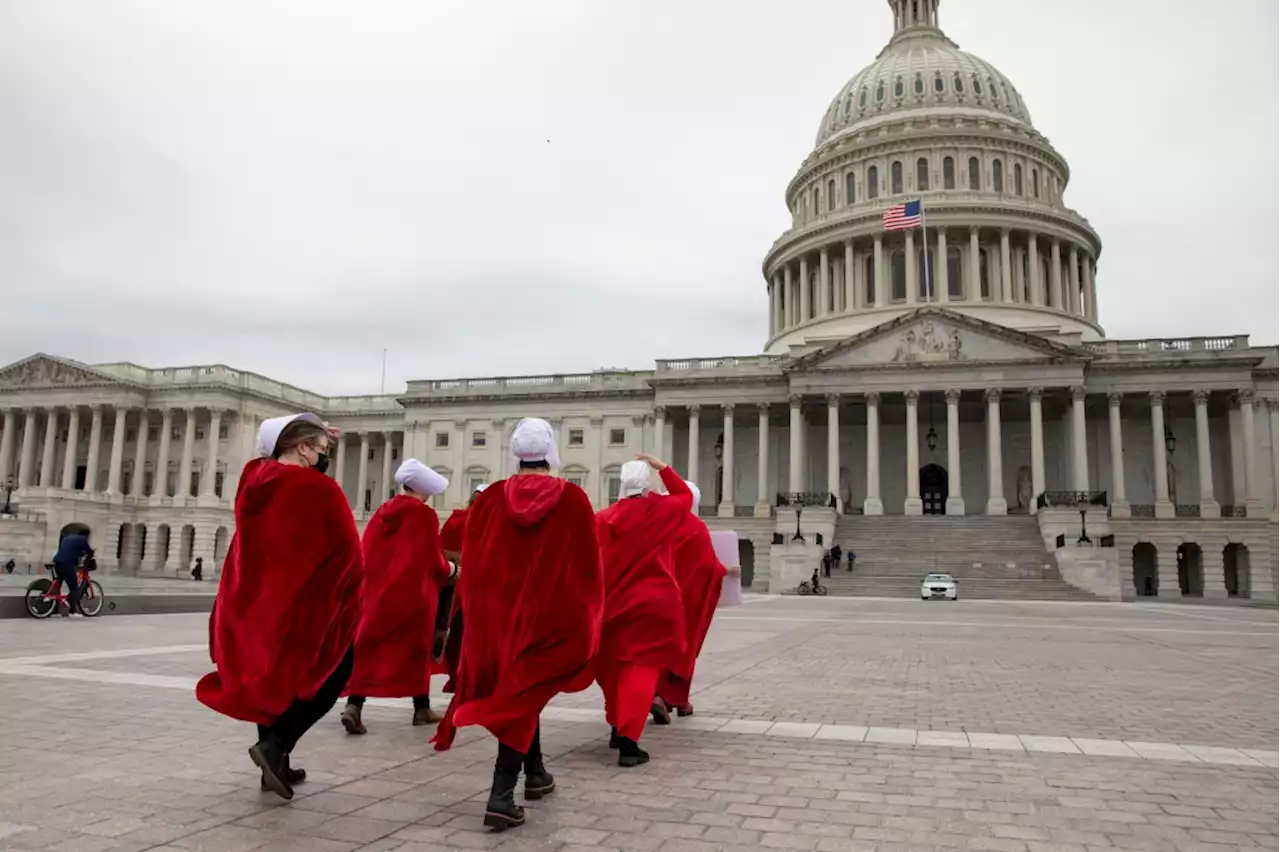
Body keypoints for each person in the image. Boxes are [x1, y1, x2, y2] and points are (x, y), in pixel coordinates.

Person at [433, 418, 603, 833]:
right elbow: (587, 566)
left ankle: (538, 773)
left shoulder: (489, 498)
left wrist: (474, 614)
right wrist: (589, 616)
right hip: (548, 615)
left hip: (498, 614)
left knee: (522, 690)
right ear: (550, 452)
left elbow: (477, 558)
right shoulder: (573, 498)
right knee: (522, 692)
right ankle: (501, 794)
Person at [195, 413, 362, 801]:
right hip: (302, 606)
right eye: (320, 449)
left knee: (266, 679)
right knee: (336, 673)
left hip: (249, 600)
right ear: (301, 447)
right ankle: (276, 746)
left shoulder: (253, 482)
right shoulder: (319, 490)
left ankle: (276, 766)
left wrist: (314, 430)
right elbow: (348, 554)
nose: (324, 457)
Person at [341, 459, 452, 735]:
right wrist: (453, 570)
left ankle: (354, 705)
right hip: (414, 596)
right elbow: (433, 562)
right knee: (416, 652)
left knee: (368, 648)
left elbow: (366, 552)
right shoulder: (425, 516)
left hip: (377, 594)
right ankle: (421, 708)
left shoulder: (381, 512)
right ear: (423, 490)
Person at [594, 454, 691, 768]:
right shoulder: (661, 510)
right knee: (641, 670)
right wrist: (663, 466)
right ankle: (629, 742)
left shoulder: (605, 517)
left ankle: (615, 725)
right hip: (652, 605)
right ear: (649, 485)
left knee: (614, 669)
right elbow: (685, 496)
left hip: (612, 605)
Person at [652, 480, 726, 722]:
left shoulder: (656, 525)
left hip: (656, 599)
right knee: (685, 649)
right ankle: (674, 699)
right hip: (687, 604)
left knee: (655, 649)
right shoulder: (696, 527)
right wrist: (725, 571)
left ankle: (658, 696)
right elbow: (708, 567)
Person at [436, 484, 487, 694]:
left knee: (454, 637)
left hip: (453, 585)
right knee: (475, 638)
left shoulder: (455, 520)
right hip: (478, 589)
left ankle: (457, 678)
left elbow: (442, 550)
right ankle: (470, 680)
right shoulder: (487, 523)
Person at [51, 527, 94, 617]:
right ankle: (73, 612)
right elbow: (89, 551)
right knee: (74, 588)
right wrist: (91, 554)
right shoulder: (82, 539)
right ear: (86, 535)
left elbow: (69, 550)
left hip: (57, 562)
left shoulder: (67, 538)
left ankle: (55, 611)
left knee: (58, 586)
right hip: (67, 564)